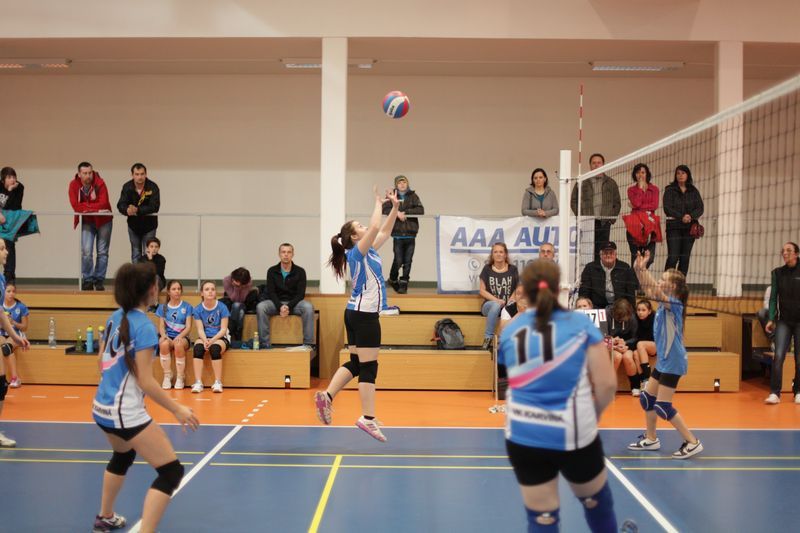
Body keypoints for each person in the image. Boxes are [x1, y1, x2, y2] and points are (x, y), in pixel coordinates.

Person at [499, 259, 618, 533]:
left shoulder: (510, 332)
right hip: (573, 434)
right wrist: (593, 417)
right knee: (596, 503)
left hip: (524, 435)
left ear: (523, 291)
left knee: (542, 518)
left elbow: (513, 374)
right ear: (559, 289)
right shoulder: (579, 324)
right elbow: (606, 384)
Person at [91, 262, 198, 533]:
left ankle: (105, 516)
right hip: (123, 411)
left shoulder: (115, 316)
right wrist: (177, 409)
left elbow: (101, 361)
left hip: (101, 406)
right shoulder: (145, 327)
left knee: (123, 454)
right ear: (151, 289)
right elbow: (145, 381)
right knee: (171, 471)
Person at [314, 186, 400, 442]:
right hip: (364, 316)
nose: (365, 227)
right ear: (354, 236)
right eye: (359, 227)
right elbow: (375, 226)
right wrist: (378, 202)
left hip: (354, 313)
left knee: (355, 363)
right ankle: (368, 418)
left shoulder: (369, 250)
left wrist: (394, 208)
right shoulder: (356, 252)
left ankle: (327, 396)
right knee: (369, 367)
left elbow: (384, 231)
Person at [627, 250, 703, 459]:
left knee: (662, 406)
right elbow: (649, 288)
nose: (659, 282)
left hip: (674, 361)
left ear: (673, 287)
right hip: (664, 360)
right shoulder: (662, 304)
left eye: (663, 280)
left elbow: (655, 290)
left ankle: (692, 442)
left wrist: (643, 269)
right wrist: (638, 269)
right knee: (647, 399)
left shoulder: (674, 304)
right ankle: (651, 439)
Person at [256, 243, 315, 349]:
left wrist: (288, 306)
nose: (286, 254)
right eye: (283, 252)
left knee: (308, 307)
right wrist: (280, 306)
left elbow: (300, 294)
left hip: (295, 304)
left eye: (289, 252)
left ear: (293, 254)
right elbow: (271, 292)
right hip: (275, 303)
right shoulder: (272, 271)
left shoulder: (300, 271)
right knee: (261, 307)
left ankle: (308, 344)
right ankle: (264, 343)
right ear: (279, 254)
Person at [0, 241, 29, 447]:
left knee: (1, 385)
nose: (6, 251)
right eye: (2, 248)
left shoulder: (2, 279)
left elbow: (1, 314)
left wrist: (16, 337)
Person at [764, 242, 800, 404]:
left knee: (799, 358)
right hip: (784, 321)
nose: (785, 253)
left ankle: (798, 391)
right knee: (778, 356)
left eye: (789, 250)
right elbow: (773, 298)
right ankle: (775, 393)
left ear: (796, 254)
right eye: (783, 251)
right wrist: (771, 318)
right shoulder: (777, 273)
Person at [69, 162, 113, 291]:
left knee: (102, 252)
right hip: (87, 221)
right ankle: (87, 280)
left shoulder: (100, 183)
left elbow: (104, 203)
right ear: (79, 174)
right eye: (85, 173)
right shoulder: (73, 185)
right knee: (86, 251)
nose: (88, 176)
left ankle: (99, 280)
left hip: (104, 221)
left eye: (90, 173)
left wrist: (86, 208)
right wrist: (94, 209)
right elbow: (75, 206)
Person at [571, 153, 621, 261]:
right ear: (590, 165)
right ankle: (588, 271)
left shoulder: (611, 183)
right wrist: (581, 216)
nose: (596, 165)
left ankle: (600, 271)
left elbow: (617, 203)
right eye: (594, 163)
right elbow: (573, 201)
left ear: (603, 164)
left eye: (599, 163)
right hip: (587, 222)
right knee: (587, 251)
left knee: (602, 252)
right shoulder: (582, 181)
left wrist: (610, 219)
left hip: (604, 223)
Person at [382, 175, 424, 294]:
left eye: (404, 182)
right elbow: (384, 209)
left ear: (407, 184)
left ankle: (404, 283)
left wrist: (405, 212)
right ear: (396, 185)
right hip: (397, 234)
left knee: (408, 261)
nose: (402, 185)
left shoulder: (413, 196)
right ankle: (393, 278)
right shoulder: (391, 196)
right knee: (398, 260)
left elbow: (421, 210)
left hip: (411, 234)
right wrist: (396, 213)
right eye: (399, 183)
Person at [663, 165, 704, 276]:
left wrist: (690, 216)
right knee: (673, 257)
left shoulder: (693, 191)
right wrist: (682, 217)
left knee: (684, 258)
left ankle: (680, 284)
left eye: (683, 173)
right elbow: (667, 208)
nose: (680, 175)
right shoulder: (669, 190)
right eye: (678, 173)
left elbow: (700, 208)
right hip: (674, 228)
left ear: (688, 175)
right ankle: (666, 283)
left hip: (689, 229)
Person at [479, 242, 519, 350]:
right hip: (489, 306)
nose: (498, 254)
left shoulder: (513, 269)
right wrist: (497, 300)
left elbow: (518, 289)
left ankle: (505, 343)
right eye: (495, 252)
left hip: (507, 306)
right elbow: (482, 291)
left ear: (505, 254)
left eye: (501, 252)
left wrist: (511, 300)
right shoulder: (487, 269)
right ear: (492, 255)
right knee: (496, 305)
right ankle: (488, 338)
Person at [191, 281, 229, 394]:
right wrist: (205, 340)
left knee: (215, 349)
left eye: (212, 289)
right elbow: (200, 329)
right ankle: (198, 382)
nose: (210, 292)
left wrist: (212, 341)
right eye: (207, 289)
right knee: (198, 348)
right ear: (202, 293)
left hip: (220, 337)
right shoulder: (198, 309)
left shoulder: (222, 307)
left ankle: (218, 382)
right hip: (204, 337)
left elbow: (223, 329)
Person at [117, 163, 160, 264]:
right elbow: (120, 204)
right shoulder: (127, 187)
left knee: (149, 253)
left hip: (149, 227)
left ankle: (148, 274)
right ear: (132, 175)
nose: (140, 177)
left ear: (146, 174)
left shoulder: (153, 187)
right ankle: (137, 274)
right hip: (133, 226)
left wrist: (137, 210)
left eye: (142, 174)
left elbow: (155, 206)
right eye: (137, 174)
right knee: (135, 253)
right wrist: (126, 209)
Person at [578, 241, 640, 309]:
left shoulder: (625, 268)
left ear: (615, 255)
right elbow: (584, 291)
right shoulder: (590, 268)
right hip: (597, 306)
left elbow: (630, 292)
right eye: (605, 253)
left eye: (611, 253)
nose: (608, 255)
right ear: (600, 255)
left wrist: (632, 310)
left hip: (619, 307)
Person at [155, 280, 193, 390]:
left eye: (179, 289)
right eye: (174, 289)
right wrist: (164, 335)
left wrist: (178, 337)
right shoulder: (163, 307)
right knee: (163, 344)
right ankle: (167, 375)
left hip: (182, 336)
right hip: (168, 336)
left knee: (178, 344)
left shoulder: (187, 307)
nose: (177, 291)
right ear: (168, 292)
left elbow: (188, 327)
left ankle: (180, 376)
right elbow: (161, 326)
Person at [607, 299, 640, 396]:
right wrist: (613, 344)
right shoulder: (606, 314)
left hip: (626, 345)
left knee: (628, 357)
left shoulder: (632, 316)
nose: (621, 321)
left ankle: (635, 386)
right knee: (617, 357)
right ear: (614, 312)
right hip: (610, 345)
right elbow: (602, 335)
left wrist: (625, 343)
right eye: (619, 318)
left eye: (624, 318)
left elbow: (636, 337)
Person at [0, 281, 29, 388]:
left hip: (16, 335)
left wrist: (13, 322)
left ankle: (15, 378)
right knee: (2, 348)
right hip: (2, 333)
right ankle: (2, 378)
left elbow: (25, 327)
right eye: (8, 291)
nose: (11, 294)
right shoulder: (0, 307)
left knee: (6, 347)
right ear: (4, 292)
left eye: (13, 291)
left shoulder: (21, 307)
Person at [0, 167, 24, 282]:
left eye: (14, 177)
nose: (13, 180)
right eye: (9, 177)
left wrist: (10, 191)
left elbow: (14, 206)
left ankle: (9, 278)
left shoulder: (19, 187)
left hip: (10, 223)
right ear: (3, 179)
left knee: (9, 247)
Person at [221, 267, 258, 343]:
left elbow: (242, 299)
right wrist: (236, 287)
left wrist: (239, 287)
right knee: (239, 310)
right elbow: (233, 298)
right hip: (230, 303)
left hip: (245, 303)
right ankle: (236, 334)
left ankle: (234, 334)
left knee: (238, 306)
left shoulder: (248, 282)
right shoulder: (226, 280)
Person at [634, 300, 655, 390]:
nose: (640, 312)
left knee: (640, 344)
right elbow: (635, 337)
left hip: (657, 345)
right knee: (635, 353)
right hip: (643, 347)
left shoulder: (655, 319)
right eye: (638, 310)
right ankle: (643, 381)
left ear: (649, 311)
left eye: (643, 310)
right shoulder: (635, 319)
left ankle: (647, 379)